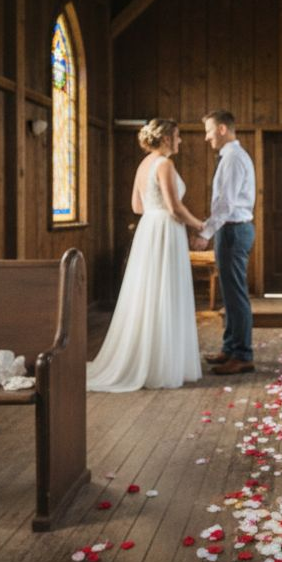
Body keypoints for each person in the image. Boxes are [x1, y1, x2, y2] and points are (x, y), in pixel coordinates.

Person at [87, 118, 204, 392]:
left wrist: (156, 212)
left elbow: (137, 206)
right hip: (165, 229)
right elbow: (175, 208)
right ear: (166, 139)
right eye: (177, 136)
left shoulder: (144, 164)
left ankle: (150, 359)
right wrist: (199, 224)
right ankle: (161, 365)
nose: (180, 141)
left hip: (148, 229)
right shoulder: (164, 164)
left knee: (149, 291)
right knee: (165, 291)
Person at [191, 109, 257, 375]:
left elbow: (226, 204)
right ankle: (230, 348)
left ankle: (242, 354)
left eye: (208, 131)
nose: (207, 137)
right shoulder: (230, 156)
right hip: (230, 230)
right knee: (229, 294)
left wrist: (205, 233)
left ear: (221, 129)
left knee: (236, 294)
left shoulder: (232, 158)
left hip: (233, 230)